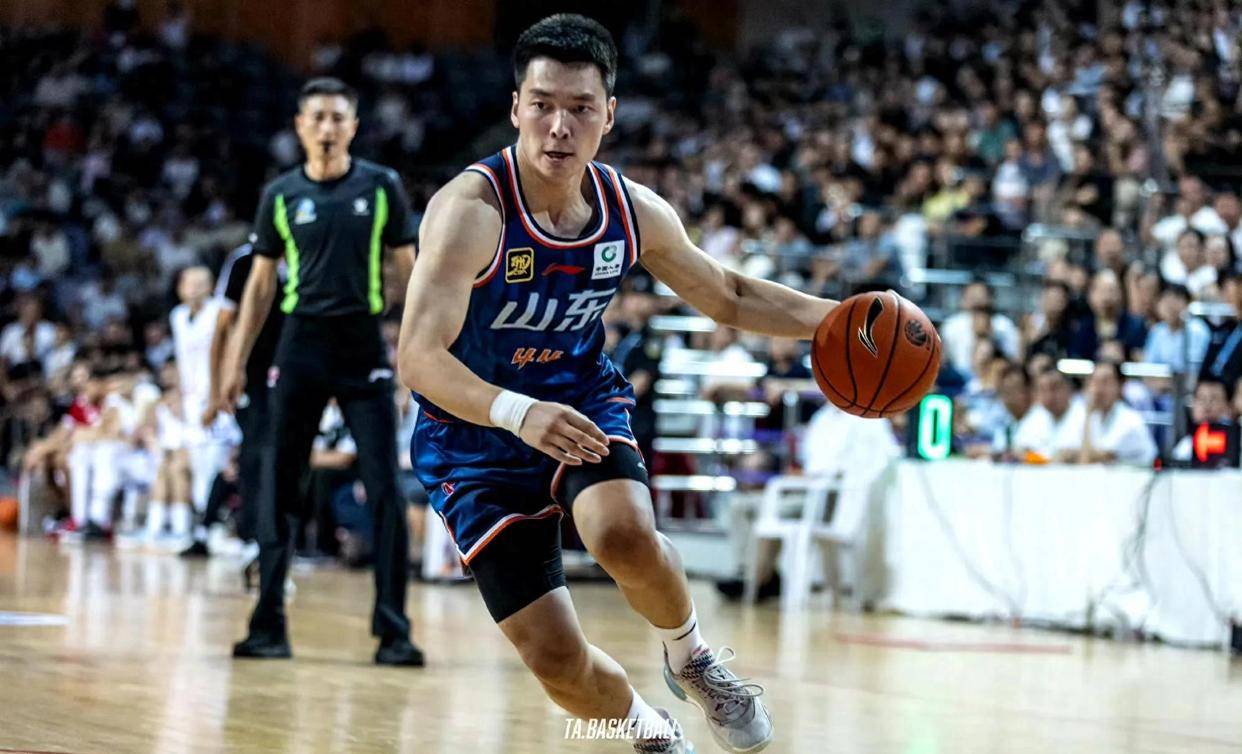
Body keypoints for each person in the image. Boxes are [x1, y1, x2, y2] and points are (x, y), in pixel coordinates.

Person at [398, 15, 829, 753]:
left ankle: (692, 658)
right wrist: (517, 412)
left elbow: (727, 294)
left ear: (610, 115)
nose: (559, 126)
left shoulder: (631, 210)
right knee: (555, 661)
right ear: (515, 107)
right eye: (542, 105)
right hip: (472, 436)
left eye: (580, 108)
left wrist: (843, 320)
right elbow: (418, 357)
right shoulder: (470, 211)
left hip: (578, 403)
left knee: (623, 533)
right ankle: (648, 731)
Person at [221, 77, 423, 666]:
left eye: (338, 117)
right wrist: (235, 363)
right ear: (300, 127)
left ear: (354, 127)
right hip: (299, 348)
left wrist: (415, 355)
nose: (328, 128)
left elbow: (410, 273)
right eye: (318, 118)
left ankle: (394, 631)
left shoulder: (382, 187)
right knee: (279, 488)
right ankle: (268, 625)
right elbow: (260, 287)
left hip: (363, 349)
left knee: (385, 489)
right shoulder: (280, 195)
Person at [203, 242, 285, 576]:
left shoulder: (310, 250)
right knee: (255, 452)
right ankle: (252, 536)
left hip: (292, 373)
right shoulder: (243, 261)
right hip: (249, 376)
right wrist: (216, 389)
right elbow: (222, 328)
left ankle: (278, 539)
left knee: (282, 455)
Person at [171, 265, 237, 556]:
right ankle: (202, 530)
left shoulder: (219, 312)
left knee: (215, 466)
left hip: (217, 401)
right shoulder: (177, 317)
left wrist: (219, 396)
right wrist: (178, 393)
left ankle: (212, 529)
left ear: (211, 287)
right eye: (188, 283)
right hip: (190, 402)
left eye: (200, 283)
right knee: (197, 467)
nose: (193, 289)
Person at [1058, 361, 1157, 466]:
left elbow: (1087, 460)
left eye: (1105, 382)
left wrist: (1088, 413)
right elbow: (1063, 453)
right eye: (1094, 381)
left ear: (1120, 386)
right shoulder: (1089, 416)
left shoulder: (1130, 421)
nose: (1097, 389)